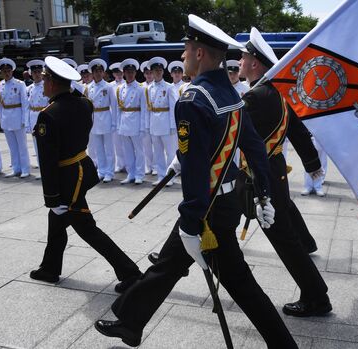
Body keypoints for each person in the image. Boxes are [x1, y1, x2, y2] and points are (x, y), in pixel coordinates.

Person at [95, 14, 298, 349]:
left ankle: (283, 344)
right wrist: (263, 194)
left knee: (238, 281)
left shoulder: (193, 99)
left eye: (187, 50)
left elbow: (196, 171)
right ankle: (130, 322)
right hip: (226, 200)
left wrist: (192, 221)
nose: (183, 57)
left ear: (200, 54)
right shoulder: (231, 94)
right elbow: (254, 148)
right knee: (170, 262)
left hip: (209, 210)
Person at [239, 27, 332, 317]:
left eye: (243, 58)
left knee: (282, 237)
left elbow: (237, 138)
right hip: (274, 168)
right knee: (283, 227)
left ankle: (317, 297)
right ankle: (176, 255)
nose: (239, 62)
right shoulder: (275, 92)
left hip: (260, 174)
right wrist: (312, 162)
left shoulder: (256, 97)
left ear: (255, 63)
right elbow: (296, 128)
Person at [29, 56, 142, 294]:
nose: (42, 83)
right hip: (82, 168)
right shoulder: (84, 103)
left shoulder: (48, 115)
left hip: (67, 179)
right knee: (57, 221)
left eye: (45, 79)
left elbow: (48, 163)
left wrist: (52, 197)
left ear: (52, 82)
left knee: (86, 228)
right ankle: (49, 268)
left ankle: (131, 273)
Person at [145, 56, 179, 187]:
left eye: (159, 70)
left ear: (163, 72)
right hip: (154, 123)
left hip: (166, 122)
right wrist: (147, 126)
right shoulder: (149, 88)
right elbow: (148, 109)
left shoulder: (169, 87)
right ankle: (160, 176)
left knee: (170, 152)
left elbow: (173, 107)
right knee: (158, 152)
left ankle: (170, 177)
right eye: (155, 70)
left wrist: (172, 125)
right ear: (152, 72)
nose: (157, 72)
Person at [0, 58, 31, 178]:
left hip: (17, 117)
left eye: (9, 70)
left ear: (12, 71)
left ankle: (25, 169)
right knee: (12, 146)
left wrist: (24, 120)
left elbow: (25, 103)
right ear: (1, 72)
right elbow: (0, 105)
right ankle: (16, 168)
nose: (7, 73)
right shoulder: (0, 85)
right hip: (6, 118)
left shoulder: (19, 84)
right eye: (4, 71)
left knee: (22, 146)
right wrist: (1, 120)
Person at [85, 58, 117, 182]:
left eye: (100, 71)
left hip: (106, 117)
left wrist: (114, 123)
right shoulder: (88, 88)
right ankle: (101, 170)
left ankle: (110, 172)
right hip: (94, 119)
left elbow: (114, 106)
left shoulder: (108, 87)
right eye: (96, 71)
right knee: (98, 148)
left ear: (103, 73)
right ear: (92, 73)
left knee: (109, 148)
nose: (98, 73)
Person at [116, 58, 147, 185]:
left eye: (132, 72)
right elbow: (119, 109)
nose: (130, 74)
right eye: (127, 72)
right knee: (127, 150)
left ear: (135, 73)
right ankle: (131, 173)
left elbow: (144, 109)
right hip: (124, 122)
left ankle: (139, 174)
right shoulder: (120, 89)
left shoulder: (140, 88)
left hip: (136, 121)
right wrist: (118, 125)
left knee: (139, 151)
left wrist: (142, 127)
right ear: (124, 73)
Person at [25, 59, 50, 178]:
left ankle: (49, 169)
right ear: (31, 73)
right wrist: (27, 123)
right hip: (33, 117)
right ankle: (42, 170)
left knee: (46, 145)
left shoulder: (47, 86)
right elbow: (27, 107)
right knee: (37, 146)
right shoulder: (28, 88)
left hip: (44, 117)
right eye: (34, 72)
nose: (37, 74)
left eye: (39, 71)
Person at [108, 62, 127, 173]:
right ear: (113, 74)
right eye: (116, 73)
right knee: (116, 143)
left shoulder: (127, 83)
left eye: (120, 73)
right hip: (112, 116)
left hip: (124, 115)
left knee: (126, 142)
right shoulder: (110, 86)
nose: (118, 75)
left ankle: (128, 164)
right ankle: (119, 164)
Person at [140, 60, 156, 176]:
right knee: (145, 145)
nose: (149, 75)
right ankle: (148, 165)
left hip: (155, 118)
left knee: (156, 145)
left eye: (151, 73)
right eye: (147, 73)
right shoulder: (141, 87)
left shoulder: (157, 86)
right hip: (144, 118)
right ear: (144, 74)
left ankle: (155, 166)